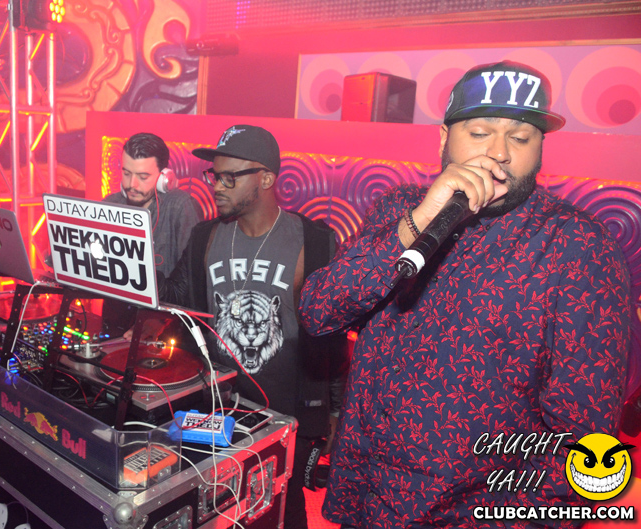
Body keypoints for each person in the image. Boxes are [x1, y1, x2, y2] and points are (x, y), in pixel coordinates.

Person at [298, 61, 631, 528]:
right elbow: (319, 311)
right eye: (479, 133)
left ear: (540, 149)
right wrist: (417, 221)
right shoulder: (399, 208)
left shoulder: (577, 246)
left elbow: (584, 441)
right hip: (366, 500)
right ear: (443, 140)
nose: (499, 153)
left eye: (521, 138)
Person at [159, 124, 348, 529]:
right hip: (217, 407)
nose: (216, 187)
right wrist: (128, 269)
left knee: (282, 511)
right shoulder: (205, 236)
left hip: (287, 416)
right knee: (217, 510)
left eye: (229, 177)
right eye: (214, 176)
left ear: (265, 179)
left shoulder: (314, 241)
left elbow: (333, 335)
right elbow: (174, 296)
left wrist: (334, 409)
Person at [102, 132, 201, 333]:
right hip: (114, 321)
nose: (132, 184)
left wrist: (159, 322)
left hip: (165, 327)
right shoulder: (110, 205)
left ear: (164, 177)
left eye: (143, 177)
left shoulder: (180, 207)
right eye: (126, 173)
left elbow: (193, 283)